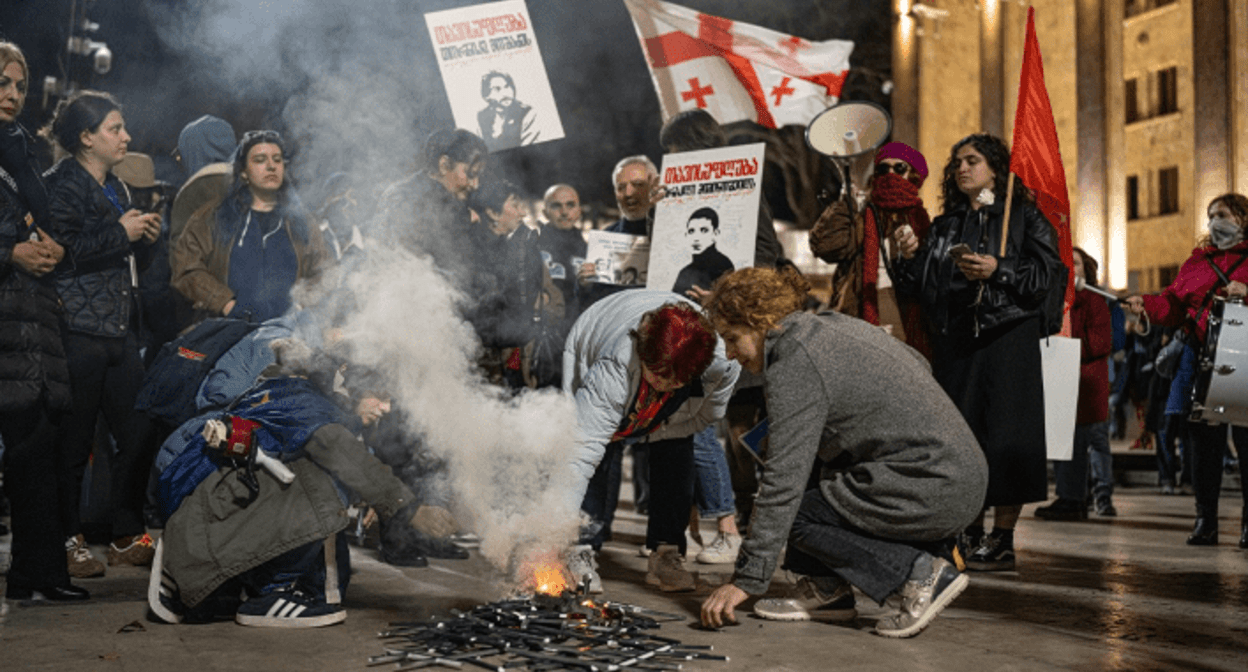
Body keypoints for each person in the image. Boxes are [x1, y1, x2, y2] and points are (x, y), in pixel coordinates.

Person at [699, 266, 987, 638]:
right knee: (818, 480)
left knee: (797, 516)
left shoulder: (794, 363)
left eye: (733, 338)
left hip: (932, 485)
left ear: (759, 321)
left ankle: (917, 575)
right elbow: (919, 364)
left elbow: (781, 486)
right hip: (958, 474)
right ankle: (828, 592)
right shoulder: (832, 325)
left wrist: (747, 579)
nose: (730, 352)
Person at [149, 351, 458, 627]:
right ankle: (271, 593)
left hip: (211, 515)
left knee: (335, 491)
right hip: (199, 519)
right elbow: (337, 448)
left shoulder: (308, 396)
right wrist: (407, 507)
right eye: (380, 395)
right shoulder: (304, 399)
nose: (387, 407)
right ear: (351, 380)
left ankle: (253, 583)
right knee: (326, 481)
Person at [895, 133, 1064, 572]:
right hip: (957, 341)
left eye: (972, 161)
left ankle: (1003, 537)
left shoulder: (1024, 217)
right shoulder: (946, 225)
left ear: (995, 169)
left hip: (1009, 337)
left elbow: (1047, 278)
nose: (962, 169)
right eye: (957, 163)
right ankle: (967, 528)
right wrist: (907, 258)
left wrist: (999, 269)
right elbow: (919, 287)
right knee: (961, 437)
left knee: (1009, 437)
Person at [42, 91, 163, 578]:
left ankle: (125, 532)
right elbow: (62, 252)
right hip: (78, 328)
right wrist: (120, 234)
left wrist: (145, 241)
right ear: (86, 137)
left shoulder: (120, 188)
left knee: (138, 430)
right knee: (73, 444)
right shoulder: (59, 186)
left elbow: (122, 256)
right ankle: (66, 538)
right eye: (115, 128)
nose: (126, 137)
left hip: (117, 330)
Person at [562, 292, 739, 593]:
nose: (664, 385)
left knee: (676, 448)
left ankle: (666, 552)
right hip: (597, 331)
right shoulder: (615, 364)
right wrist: (552, 530)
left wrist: (658, 428)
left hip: (672, 370)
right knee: (597, 453)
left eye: (674, 382)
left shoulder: (722, 365)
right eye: (658, 376)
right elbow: (579, 454)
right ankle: (579, 547)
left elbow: (704, 419)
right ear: (643, 354)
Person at [0, 40, 83, 602]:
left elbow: (46, 220)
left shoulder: (19, 148)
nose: (11, 94)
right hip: (9, 304)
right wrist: (9, 251)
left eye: (18, 85)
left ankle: (39, 573)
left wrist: (51, 249)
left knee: (38, 442)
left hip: (29, 314)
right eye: (1, 82)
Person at [1126, 192, 1248, 548]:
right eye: (1210, 215)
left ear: (1242, 217)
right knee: (1203, 446)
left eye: (1222, 214)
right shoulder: (1196, 263)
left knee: (1246, 444)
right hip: (1201, 359)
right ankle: (1205, 519)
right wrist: (1145, 305)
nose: (1214, 222)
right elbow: (1173, 306)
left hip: (1243, 358)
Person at [171, 130, 331, 324]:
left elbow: (325, 273)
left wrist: (301, 304)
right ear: (244, 172)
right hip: (229, 333)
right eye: (260, 159)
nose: (271, 166)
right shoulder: (213, 216)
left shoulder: (302, 221)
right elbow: (186, 268)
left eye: (277, 159)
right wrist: (226, 304)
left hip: (289, 335)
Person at [809, 140, 932, 358]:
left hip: (908, 319)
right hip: (861, 314)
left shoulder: (922, 222)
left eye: (899, 168)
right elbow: (826, 246)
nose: (890, 174)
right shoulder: (861, 215)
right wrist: (845, 202)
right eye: (883, 168)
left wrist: (912, 252)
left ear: (913, 174)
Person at [1034, 247, 1114, 520]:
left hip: (1085, 383)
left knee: (1080, 442)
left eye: (1076, 264)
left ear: (1085, 270)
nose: (1070, 268)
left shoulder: (1093, 301)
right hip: (1061, 378)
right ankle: (1068, 496)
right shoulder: (1055, 300)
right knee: (1062, 441)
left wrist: (1064, 349)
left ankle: (1075, 498)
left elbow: (1102, 342)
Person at [169, 115, 235, 243]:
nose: (181, 165)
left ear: (195, 155)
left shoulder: (195, 207)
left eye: (182, 156)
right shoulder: (252, 194)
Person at [538, 183, 587, 327]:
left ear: (579, 210)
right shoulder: (534, 247)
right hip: (546, 329)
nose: (564, 212)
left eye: (570, 205)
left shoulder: (590, 250)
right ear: (545, 213)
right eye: (556, 206)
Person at [671, 206, 734, 299]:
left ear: (715, 234)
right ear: (686, 235)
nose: (696, 238)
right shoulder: (685, 272)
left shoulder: (724, 266)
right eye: (691, 231)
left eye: (704, 230)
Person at [477, 71, 538, 152]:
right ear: (486, 96)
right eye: (497, 89)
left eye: (507, 86)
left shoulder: (527, 113)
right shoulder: (481, 116)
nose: (505, 93)